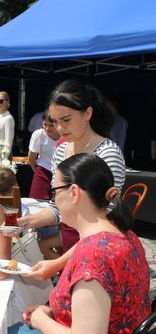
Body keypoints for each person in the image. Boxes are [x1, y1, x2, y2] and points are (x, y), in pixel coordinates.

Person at [22, 153, 149, 334]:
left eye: (53, 192)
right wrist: (52, 312)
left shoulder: (94, 256)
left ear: (74, 193)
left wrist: (40, 319)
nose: (52, 199)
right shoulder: (125, 234)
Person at [18, 79, 125, 279]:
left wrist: (58, 262)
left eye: (66, 120)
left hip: (97, 251)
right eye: (55, 121)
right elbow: (57, 206)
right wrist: (24, 222)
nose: (59, 128)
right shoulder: (60, 150)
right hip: (70, 241)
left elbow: (106, 225)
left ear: (88, 113)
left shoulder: (107, 153)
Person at [28, 111, 60, 199]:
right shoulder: (38, 135)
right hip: (42, 172)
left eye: (51, 125)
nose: (47, 128)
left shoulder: (66, 135)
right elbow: (31, 159)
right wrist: (38, 172)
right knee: (36, 202)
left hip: (61, 174)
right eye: (45, 124)